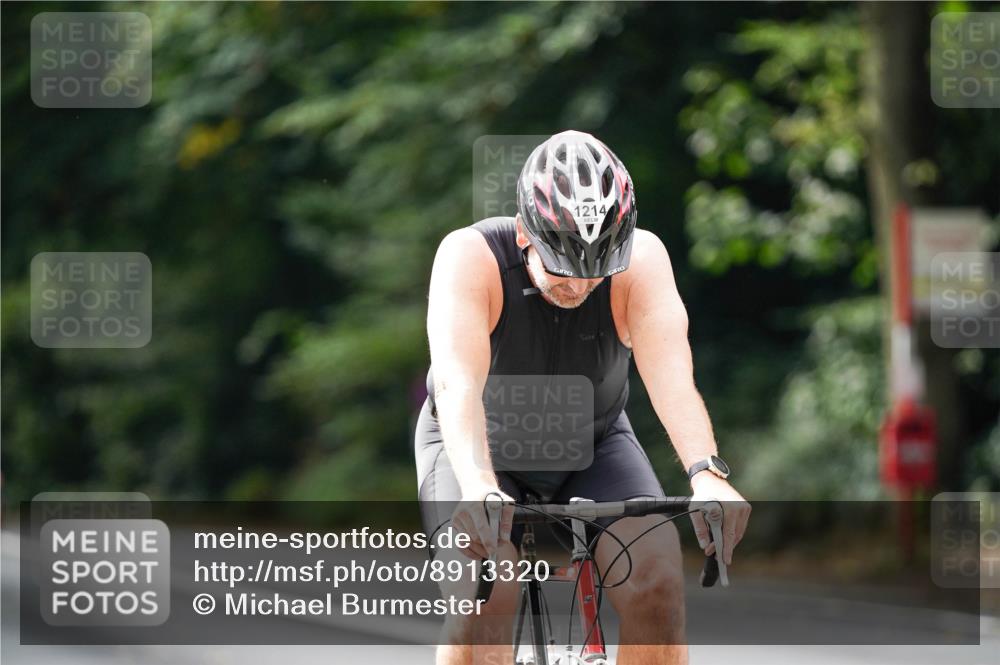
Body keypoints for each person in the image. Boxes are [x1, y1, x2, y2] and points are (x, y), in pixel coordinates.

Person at [415, 130, 750, 665]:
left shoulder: (642, 261)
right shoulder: (469, 256)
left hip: (592, 439)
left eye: (598, 269)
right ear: (525, 233)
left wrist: (707, 472)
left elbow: (672, 378)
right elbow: (458, 385)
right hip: (477, 446)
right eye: (564, 267)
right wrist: (478, 486)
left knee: (659, 577)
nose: (581, 286)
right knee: (488, 592)